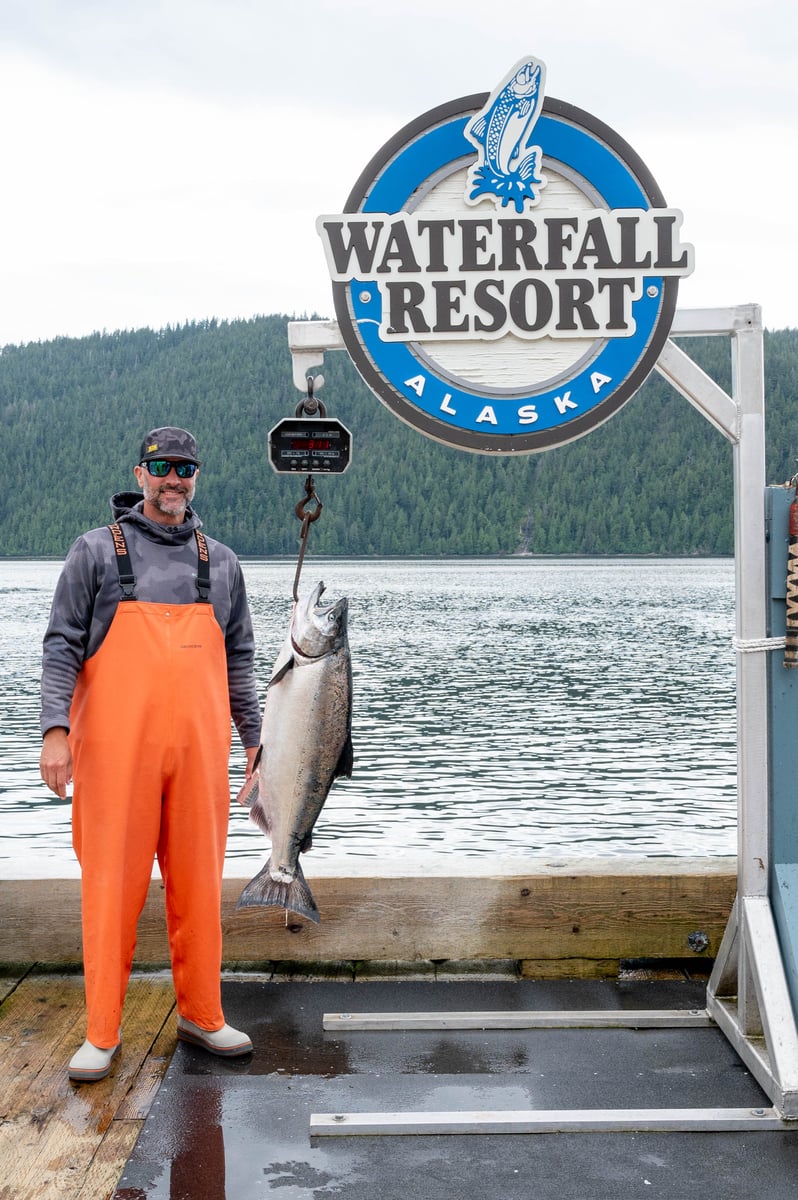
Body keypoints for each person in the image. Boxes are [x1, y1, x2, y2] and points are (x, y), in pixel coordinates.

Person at [39, 426, 262, 1082]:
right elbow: (60, 647)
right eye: (163, 467)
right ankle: (102, 1032)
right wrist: (55, 732)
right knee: (110, 889)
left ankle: (203, 1013)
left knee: (199, 886)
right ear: (140, 473)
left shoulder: (220, 562)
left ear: (196, 475)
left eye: (186, 467)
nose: (175, 478)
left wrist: (257, 741)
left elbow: (241, 660)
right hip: (113, 759)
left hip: (198, 757)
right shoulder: (94, 554)